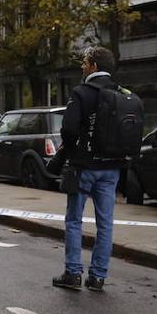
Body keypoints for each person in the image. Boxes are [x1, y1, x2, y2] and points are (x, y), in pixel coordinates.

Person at [51, 45, 123, 292]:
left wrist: (72, 151)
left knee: (74, 220)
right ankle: (98, 276)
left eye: (84, 62)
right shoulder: (120, 93)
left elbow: (69, 128)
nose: (82, 66)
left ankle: (73, 273)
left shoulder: (81, 93)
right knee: (106, 223)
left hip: (83, 166)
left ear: (93, 66)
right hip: (111, 167)